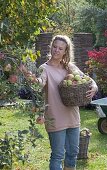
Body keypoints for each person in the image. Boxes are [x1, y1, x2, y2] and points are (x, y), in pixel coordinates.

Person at [25, 35, 98, 170]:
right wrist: (30, 77)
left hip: (72, 116)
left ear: (65, 51)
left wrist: (94, 87)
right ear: (51, 47)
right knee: (58, 155)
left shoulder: (69, 67)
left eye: (60, 48)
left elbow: (85, 78)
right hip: (55, 117)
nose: (57, 50)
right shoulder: (44, 68)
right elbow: (39, 83)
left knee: (72, 154)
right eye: (55, 47)